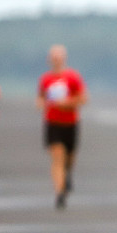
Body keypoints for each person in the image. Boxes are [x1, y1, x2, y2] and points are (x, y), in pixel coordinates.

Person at [37, 44, 88, 209]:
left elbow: (83, 99)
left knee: (69, 158)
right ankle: (59, 192)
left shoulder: (73, 77)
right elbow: (40, 99)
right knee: (57, 157)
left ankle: (67, 175)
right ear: (49, 60)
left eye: (58, 57)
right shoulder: (45, 79)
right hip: (53, 123)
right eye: (53, 57)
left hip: (71, 123)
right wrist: (43, 104)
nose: (56, 60)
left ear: (64, 59)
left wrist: (66, 103)